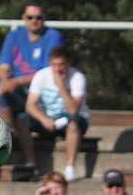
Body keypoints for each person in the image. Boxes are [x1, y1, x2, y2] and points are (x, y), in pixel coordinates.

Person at [0, 0, 65, 172]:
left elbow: (47, 73)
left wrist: (16, 81)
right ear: (24, 17)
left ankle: (30, 159)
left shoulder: (53, 37)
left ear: (44, 18)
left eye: (38, 17)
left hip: (42, 97)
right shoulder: (14, 36)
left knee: (24, 118)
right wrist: (5, 80)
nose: (34, 21)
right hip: (20, 94)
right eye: (30, 17)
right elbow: (3, 67)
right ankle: (9, 131)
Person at [19, 45, 90, 182]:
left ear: (69, 63)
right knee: (21, 120)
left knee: (73, 123)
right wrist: (43, 119)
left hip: (72, 120)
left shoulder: (78, 77)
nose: (58, 69)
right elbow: (30, 105)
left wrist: (60, 85)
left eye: (62, 65)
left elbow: (74, 109)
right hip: (50, 120)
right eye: (54, 65)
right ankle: (31, 164)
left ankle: (70, 166)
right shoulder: (41, 75)